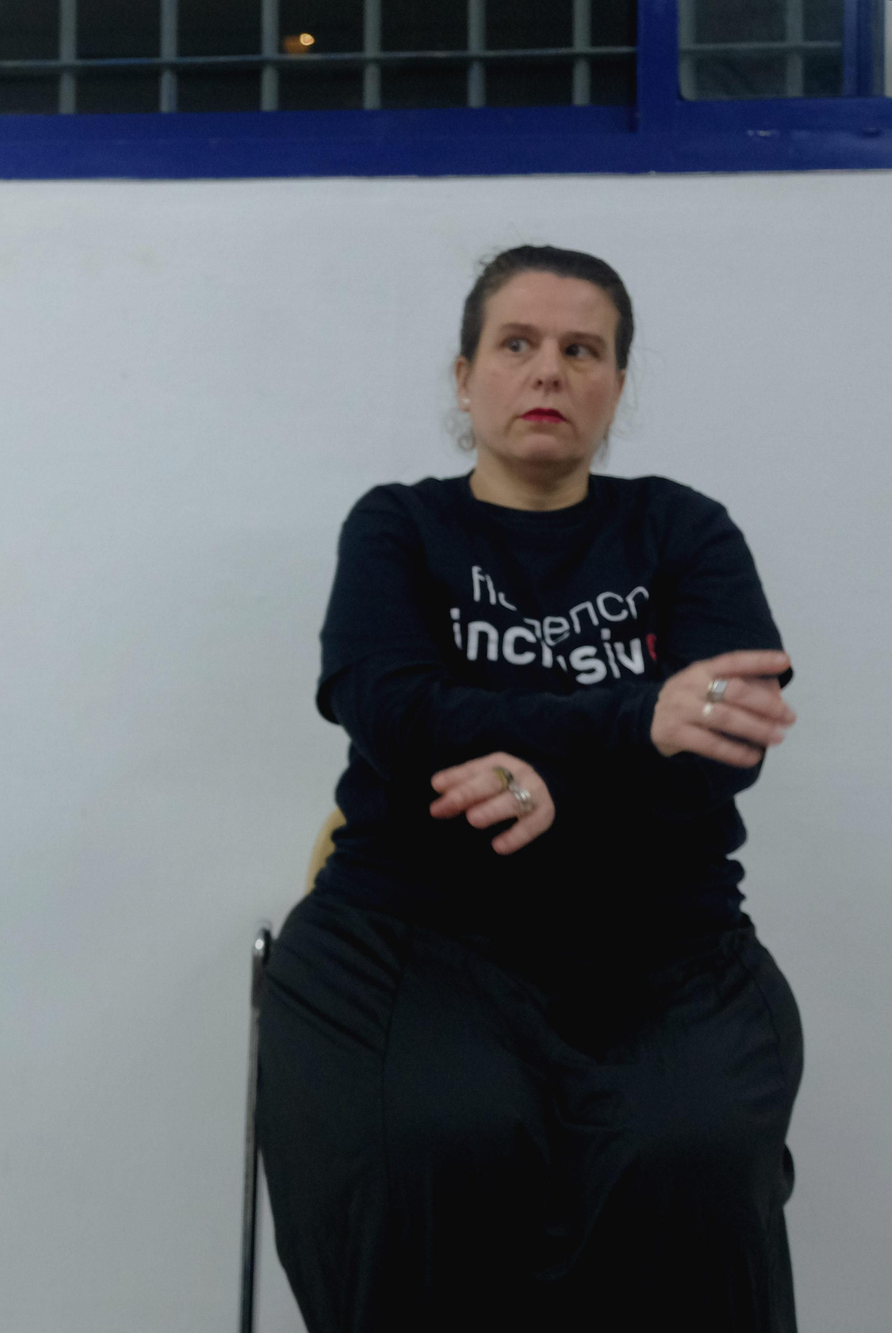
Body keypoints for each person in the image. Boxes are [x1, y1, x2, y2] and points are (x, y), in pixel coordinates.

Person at [260, 246, 802, 1332]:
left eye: (580, 350)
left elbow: (724, 741)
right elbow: (385, 706)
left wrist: (545, 768)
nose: (546, 371)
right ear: (465, 377)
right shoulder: (399, 527)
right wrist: (627, 722)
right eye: (516, 345)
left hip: (660, 941)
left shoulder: (681, 530)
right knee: (428, 1148)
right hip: (410, 934)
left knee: (686, 1156)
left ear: (614, 384)